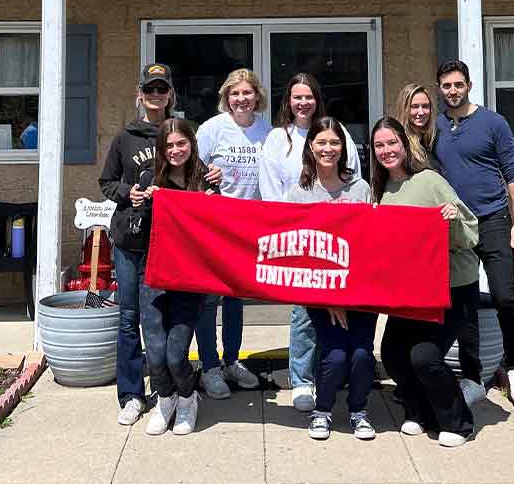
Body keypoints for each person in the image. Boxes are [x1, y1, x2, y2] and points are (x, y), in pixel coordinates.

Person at [370, 116, 479, 447]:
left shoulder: (430, 181)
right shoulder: (381, 192)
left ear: (404, 144)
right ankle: (418, 412)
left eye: (392, 142)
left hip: (451, 288)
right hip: (408, 291)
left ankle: (458, 423)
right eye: (379, 145)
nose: (387, 150)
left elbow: (470, 232)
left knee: (425, 358)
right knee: (391, 354)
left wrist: (451, 218)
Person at [259, 72, 361, 413]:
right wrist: (284, 229)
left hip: (340, 242)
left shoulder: (337, 130)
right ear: (288, 101)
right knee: (303, 314)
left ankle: (331, 375)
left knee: (341, 313)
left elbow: (354, 178)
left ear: (318, 98)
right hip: (298, 238)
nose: (303, 103)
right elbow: (272, 188)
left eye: (309, 96)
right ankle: (302, 380)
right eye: (297, 97)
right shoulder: (277, 138)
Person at [434, 59, 514, 405]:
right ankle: (472, 376)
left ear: (469, 85)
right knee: (465, 303)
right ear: (440, 89)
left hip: (492, 220)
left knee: (505, 295)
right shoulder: (437, 128)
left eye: (458, 84)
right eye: (446, 85)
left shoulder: (493, 122)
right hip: (457, 226)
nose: (452, 91)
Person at [285, 116, 376, 441]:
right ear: (311, 147)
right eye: (321, 142)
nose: (328, 148)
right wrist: (329, 300)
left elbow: (370, 243)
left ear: (343, 147)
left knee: (363, 355)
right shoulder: (299, 192)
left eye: (334, 142)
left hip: (362, 293)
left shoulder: (360, 188)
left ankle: (358, 411)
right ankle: (322, 411)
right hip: (320, 295)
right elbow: (297, 251)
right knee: (336, 356)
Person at [97, 63, 178, 427]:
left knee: (161, 319)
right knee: (129, 318)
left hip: (168, 243)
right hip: (130, 240)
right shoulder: (124, 137)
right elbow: (106, 182)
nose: (156, 95)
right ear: (140, 94)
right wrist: (126, 192)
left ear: (170, 94)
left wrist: (211, 176)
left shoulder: (178, 133)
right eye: (150, 89)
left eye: (162, 89)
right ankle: (131, 394)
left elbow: (191, 177)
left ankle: (167, 390)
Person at [135, 119, 220, 436]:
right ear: (161, 148)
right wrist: (144, 204)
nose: (175, 150)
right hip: (154, 276)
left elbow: (217, 230)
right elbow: (139, 231)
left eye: (181, 143)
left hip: (190, 279)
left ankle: (187, 398)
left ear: (191, 144)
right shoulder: (148, 179)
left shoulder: (206, 182)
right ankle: (166, 399)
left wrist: (214, 204)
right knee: (155, 354)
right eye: (168, 145)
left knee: (175, 353)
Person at [194, 68, 272, 398]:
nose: (241, 99)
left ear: (257, 97)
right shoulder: (213, 129)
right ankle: (209, 366)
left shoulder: (267, 131)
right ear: (226, 97)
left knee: (235, 297)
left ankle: (231, 361)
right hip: (215, 223)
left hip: (247, 225)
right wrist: (205, 180)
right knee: (209, 298)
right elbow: (190, 169)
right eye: (234, 94)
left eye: (247, 93)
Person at [393, 83, 437, 168]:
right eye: (414, 107)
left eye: (425, 106)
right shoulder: (399, 143)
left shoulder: (430, 140)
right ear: (404, 109)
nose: (421, 112)